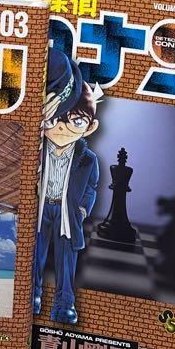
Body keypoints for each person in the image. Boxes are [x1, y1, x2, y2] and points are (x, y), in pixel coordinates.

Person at [33, 49, 101, 325]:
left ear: (90, 127)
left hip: (67, 214)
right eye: (55, 119)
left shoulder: (88, 159)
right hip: (40, 209)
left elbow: (92, 187)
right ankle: (33, 296)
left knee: (66, 261)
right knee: (35, 255)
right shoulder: (37, 148)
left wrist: (83, 210)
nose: (61, 127)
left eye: (76, 121)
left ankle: (65, 304)